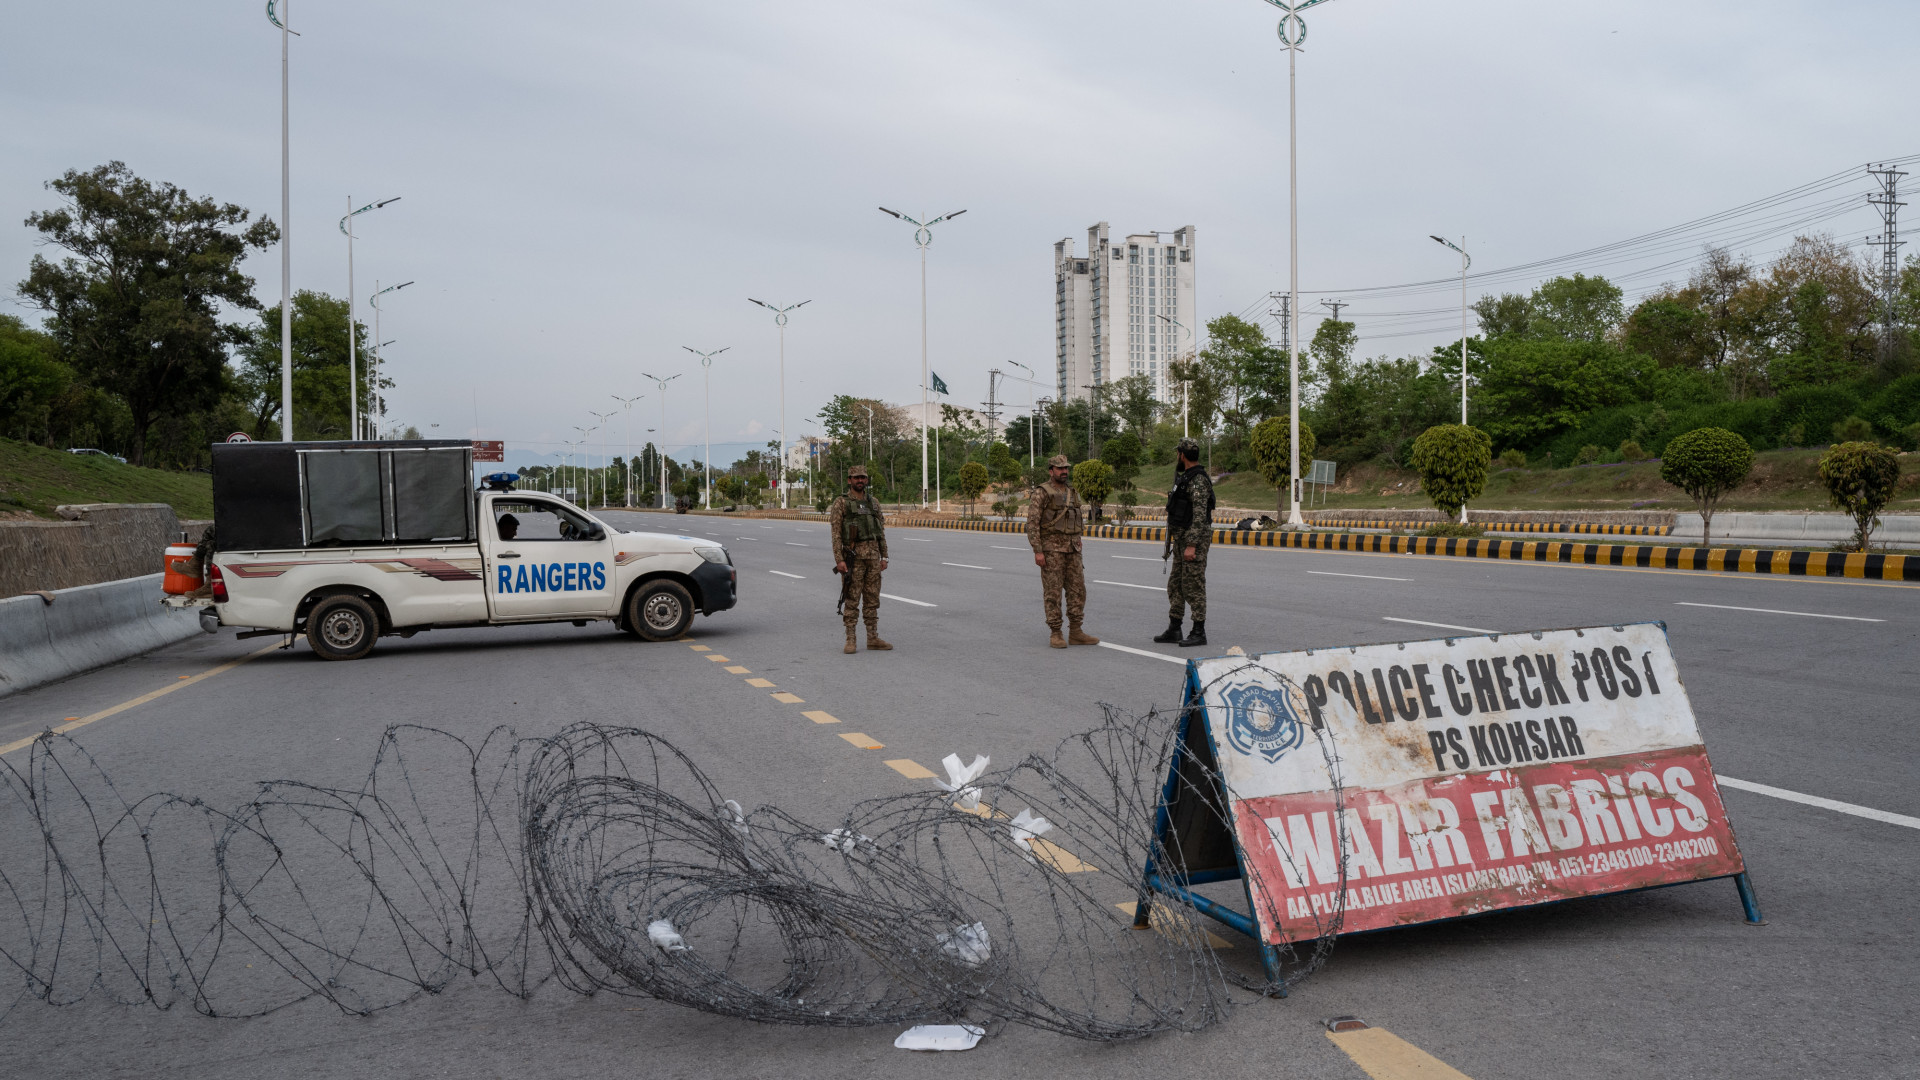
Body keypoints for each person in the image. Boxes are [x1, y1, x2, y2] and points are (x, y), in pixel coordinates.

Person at [1025, 454, 1099, 650]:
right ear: (1051, 471)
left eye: (1066, 468)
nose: (1064, 471)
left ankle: (1076, 631)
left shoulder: (1072, 492)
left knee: (1078, 591)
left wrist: (1078, 539)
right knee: (1053, 593)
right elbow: (1032, 523)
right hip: (1051, 551)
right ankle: (1056, 632)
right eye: (1060, 468)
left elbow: (1076, 519)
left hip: (1072, 550)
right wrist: (1037, 551)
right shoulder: (1042, 492)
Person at [1154, 438, 1214, 647]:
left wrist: (1192, 545)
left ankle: (1199, 631)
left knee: (1193, 585)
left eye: (1177, 453)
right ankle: (1174, 628)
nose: (1176, 457)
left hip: (1192, 541)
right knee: (1176, 584)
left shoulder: (1198, 480)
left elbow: (1199, 516)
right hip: (1181, 540)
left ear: (1182, 454)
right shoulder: (1186, 478)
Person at [829, 465, 891, 654]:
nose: (860, 481)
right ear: (849, 480)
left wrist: (884, 556)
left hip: (873, 558)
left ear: (867, 480)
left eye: (863, 477)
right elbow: (836, 534)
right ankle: (851, 639)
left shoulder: (874, 503)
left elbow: (880, 532)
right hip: (853, 558)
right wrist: (839, 559)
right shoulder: (841, 503)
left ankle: (872, 638)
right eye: (856, 478)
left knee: (872, 599)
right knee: (852, 599)